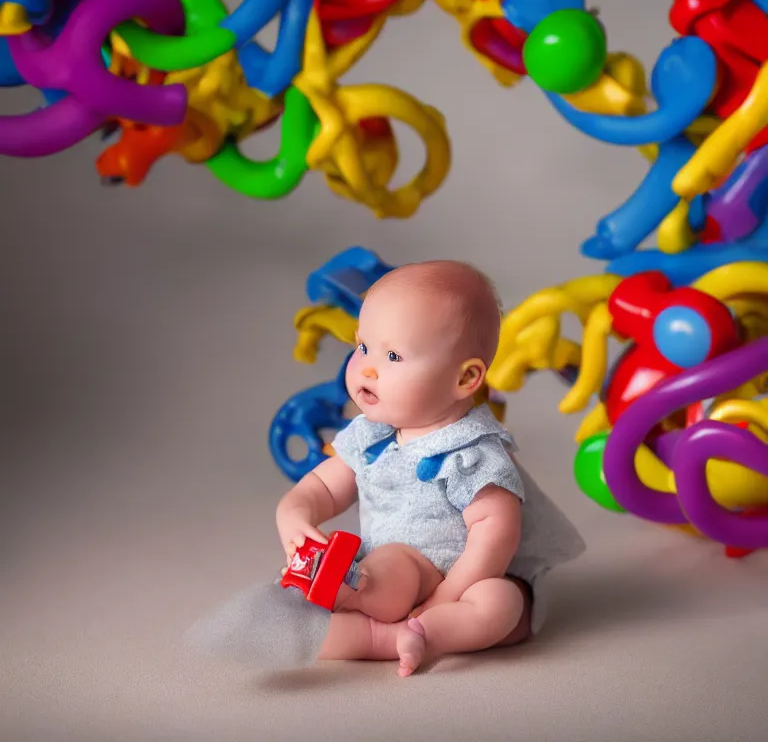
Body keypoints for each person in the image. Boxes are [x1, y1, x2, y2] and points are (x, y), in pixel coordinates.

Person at [188, 260, 586, 677]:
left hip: (461, 577)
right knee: (353, 590)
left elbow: (495, 537)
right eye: (362, 347)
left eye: (393, 355)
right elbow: (322, 488)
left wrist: (446, 595)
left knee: (501, 605)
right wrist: (294, 514)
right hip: (385, 569)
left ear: (465, 378)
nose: (367, 367)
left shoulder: (472, 453)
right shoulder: (370, 437)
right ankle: (376, 626)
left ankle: (428, 631)